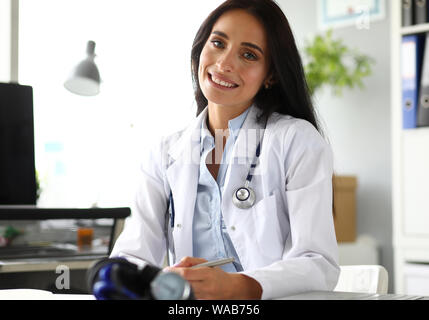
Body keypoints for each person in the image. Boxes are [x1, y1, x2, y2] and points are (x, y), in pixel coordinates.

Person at [110, 0, 339, 300]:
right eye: (218, 43)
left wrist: (237, 286)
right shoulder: (164, 154)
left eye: (248, 54)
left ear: (271, 75)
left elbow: (318, 264)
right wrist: (133, 278)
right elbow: (133, 255)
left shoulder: (296, 141)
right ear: (200, 49)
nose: (224, 64)